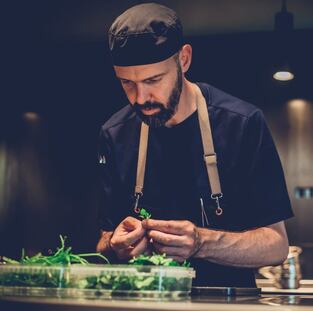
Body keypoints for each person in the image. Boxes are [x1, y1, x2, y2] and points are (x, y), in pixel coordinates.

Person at [96, 2, 293, 287]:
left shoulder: (243, 123)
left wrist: (202, 242)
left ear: (184, 60)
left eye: (153, 80)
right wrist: (116, 244)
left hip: (228, 305)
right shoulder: (114, 134)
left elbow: (277, 245)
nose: (140, 98)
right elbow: (104, 239)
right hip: (145, 302)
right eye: (127, 83)